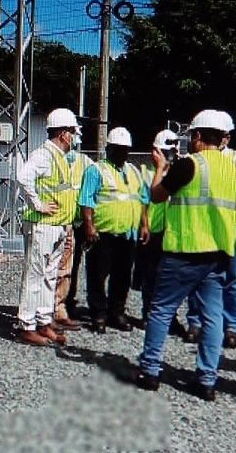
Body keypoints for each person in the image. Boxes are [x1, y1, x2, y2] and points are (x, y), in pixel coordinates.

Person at [134, 110, 236, 402]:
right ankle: (207, 379)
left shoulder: (188, 165)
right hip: (217, 253)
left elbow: (156, 195)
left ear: (196, 136)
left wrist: (160, 167)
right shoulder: (233, 168)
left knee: (161, 309)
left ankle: (150, 370)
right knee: (213, 316)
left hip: (184, 250)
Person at [184, 111, 236, 349]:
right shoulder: (195, 158)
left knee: (232, 277)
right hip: (202, 223)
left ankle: (231, 326)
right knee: (197, 275)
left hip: (231, 225)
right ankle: (196, 322)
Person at [15, 107, 80, 347]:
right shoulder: (44, 155)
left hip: (57, 224)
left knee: (49, 275)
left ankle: (43, 320)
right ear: (63, 133)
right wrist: (38, 204)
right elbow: (24, 177)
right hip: (42, 224)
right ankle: (26, 325)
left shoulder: (59, 157)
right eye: (72, 132)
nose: (73, 137)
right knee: (35, 276)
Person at [78, 127, 148, 333]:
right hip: (102, 234)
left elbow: (142, 199)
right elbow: (86, 199)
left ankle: (116, 312)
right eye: (118, 149)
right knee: (98, 275)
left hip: (127, 234)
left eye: (125, 149)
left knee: (122, 275)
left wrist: (144, 225)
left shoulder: (134, 172)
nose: (122, 153)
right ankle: (98, 313)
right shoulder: (96, 170)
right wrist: (89, 225)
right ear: (109, 148)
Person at [132, 129, 185, 336]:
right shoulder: (145, 173)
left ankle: (171, 317)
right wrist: (144, 225)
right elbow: (143, 202)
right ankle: (148, 314)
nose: (168, 155)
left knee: (171, 277)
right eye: (164, 151)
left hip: (171, 231)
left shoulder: (178, 172)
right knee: (150, 276)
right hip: (153, 231)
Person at [55, 147, 93, 330]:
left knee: (71, 265)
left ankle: (67, 301)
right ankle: (53, 307)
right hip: (59, 221)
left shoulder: (85, 162)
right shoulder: (51, 159)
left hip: (76, 223)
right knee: (55, 267)